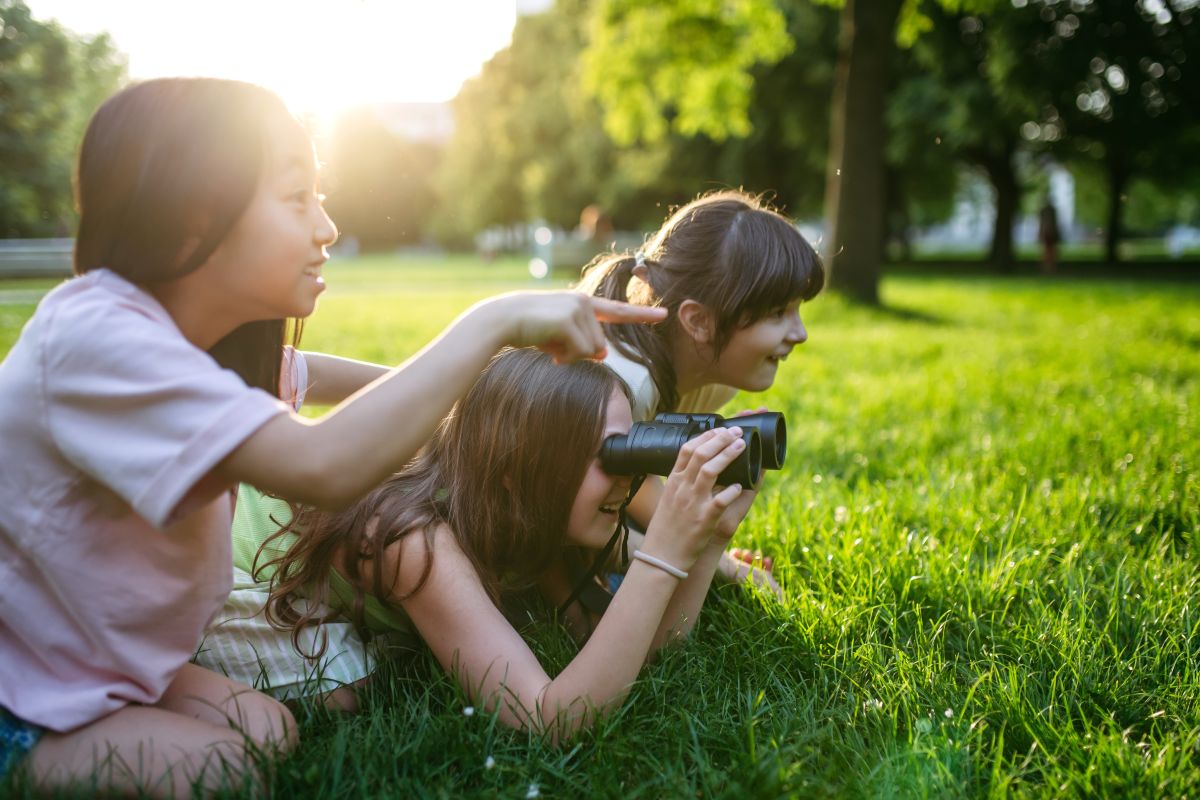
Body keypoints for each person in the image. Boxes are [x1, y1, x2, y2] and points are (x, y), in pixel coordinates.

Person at [0, 78, 663, 797]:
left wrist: (488, 397)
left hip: (96, 665)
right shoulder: (98, 342)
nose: (327, 228)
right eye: (296, 200)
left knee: (272, 731)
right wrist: (492, 323)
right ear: (193, 222)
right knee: (228, 772)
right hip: (18, 673)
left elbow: (309, 373)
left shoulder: (194, 350)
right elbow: (323, 466)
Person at [198, 348, 754, 735]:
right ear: (518, 469)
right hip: (233, 565)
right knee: (343, 692)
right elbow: (547, 719)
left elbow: (639, 654)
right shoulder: (416, 540)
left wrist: (705, 547)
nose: (628, 481)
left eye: (630, 449)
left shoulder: (534, 511)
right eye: (606, 456)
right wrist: (662, 552)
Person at [575, 190, 824, 592]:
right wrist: (724, 568)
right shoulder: (621, 388)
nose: (800, 333)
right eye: (779, 313)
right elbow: (579, 527)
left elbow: (638, 486)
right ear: (699, 322)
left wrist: (709, 549)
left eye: (797, 310)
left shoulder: (710, 383)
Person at [1038, 196, 1060, 275]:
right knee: (1048, 251)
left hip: (1048, 232)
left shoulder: (1045, 211)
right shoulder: (1051, 211)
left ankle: (1049, 267)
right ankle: (1048, 267)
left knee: (1049, 251)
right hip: (1048, 232)